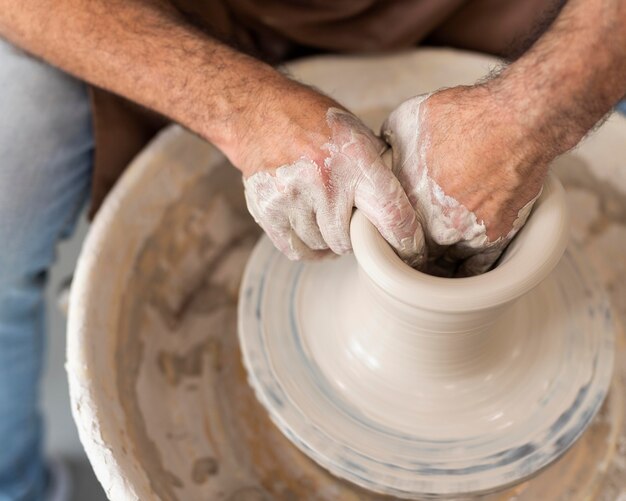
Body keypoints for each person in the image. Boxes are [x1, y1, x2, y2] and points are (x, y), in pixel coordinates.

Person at [1, 0, 625, 499]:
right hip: (190, 18)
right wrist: (237, 106)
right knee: (12, 148)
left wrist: (529, 118)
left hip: (517, 20)